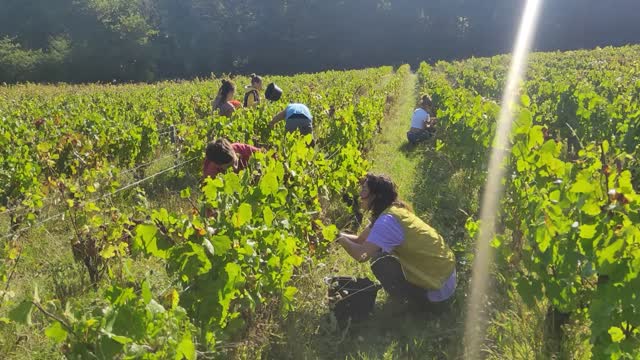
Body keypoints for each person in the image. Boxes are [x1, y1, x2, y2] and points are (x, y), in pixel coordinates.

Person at [336, 173, 457, 311]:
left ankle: (410, 307)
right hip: (445, 275)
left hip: (438, 289)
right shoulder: (393, 211)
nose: (360, 194)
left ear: (376, 195)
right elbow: (360, 240)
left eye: (364, 190)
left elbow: (361, 254)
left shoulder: (386, 222)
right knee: (379, 253)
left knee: (379, 260)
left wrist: (338, 238)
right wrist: (335, 234)